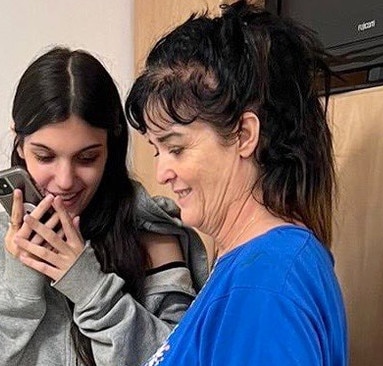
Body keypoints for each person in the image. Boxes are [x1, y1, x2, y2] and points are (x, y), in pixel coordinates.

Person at [0, 47, 208, 366]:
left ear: (111, 148)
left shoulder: (153, 235)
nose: (64, 181)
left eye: (87, 158)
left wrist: (91, 289)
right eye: (45, 156)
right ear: (19, 144)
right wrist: (17, 289)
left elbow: (184, 359)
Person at [125, 1, 348, 365]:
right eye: (157, 150)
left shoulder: (265, 283)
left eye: (176, 148)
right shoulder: (249, 267)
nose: (163, 172)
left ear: (244, 135)